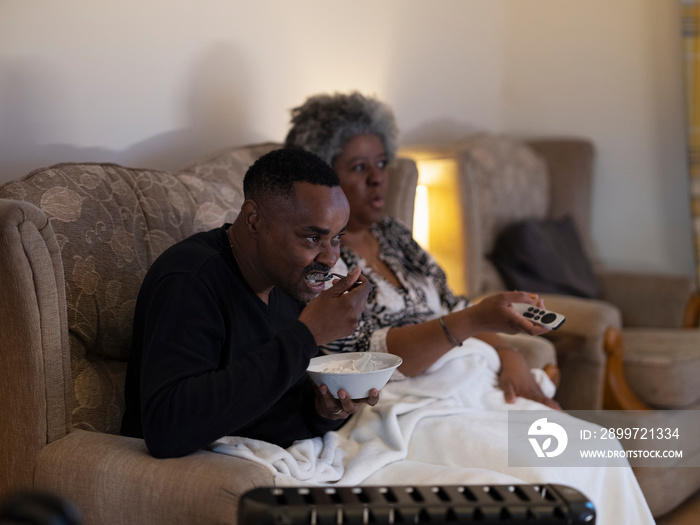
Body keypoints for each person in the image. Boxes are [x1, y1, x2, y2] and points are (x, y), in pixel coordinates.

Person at [284, 92, 559, 409]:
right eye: (360, 168)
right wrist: (476, 319)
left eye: (382, 163)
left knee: (582, 443)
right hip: (398, 402)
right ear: (322, 177)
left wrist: (509, 355)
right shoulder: (320, 257)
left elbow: (453, 305)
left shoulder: (393, 233)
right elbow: (365, 358)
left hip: (463, 380)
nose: (377, 179)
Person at [120, 148, 377, 458]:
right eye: (312, 238)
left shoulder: (286, 280)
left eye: (336, 238)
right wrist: (307, 334)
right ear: (254, 219)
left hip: (290, 457)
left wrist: (324, 411)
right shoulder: (190, 280)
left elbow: (275, 405)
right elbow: (166, 430)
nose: (330, 258)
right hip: (209, 472)